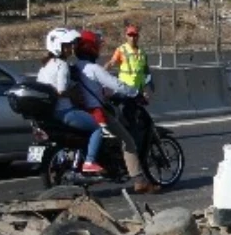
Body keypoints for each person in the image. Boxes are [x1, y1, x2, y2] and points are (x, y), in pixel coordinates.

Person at [73, 29, 160, 194]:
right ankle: (139, 180)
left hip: (83, 110)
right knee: (128, 141)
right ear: (91, 48)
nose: (133, 37)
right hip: (99, 109)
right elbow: (115, 83)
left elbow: (99, 87)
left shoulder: (76, 67)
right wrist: (135, 93)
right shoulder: (93, 68)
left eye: (135, 35)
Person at [37, 27, 104, 175]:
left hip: (52, 113)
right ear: (57, 47)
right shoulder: (62, 66)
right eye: (67, 45)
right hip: (66, 112)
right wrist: (72, 94)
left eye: (71, 45)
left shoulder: (45, 67)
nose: (71, 48)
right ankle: (90, 161)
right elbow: (61, 91)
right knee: (97, 128)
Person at [109, 24, 150, 92]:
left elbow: (145, 69)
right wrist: (102, 70)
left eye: (134, 35)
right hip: (125, 89)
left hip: (139, 89)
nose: (132, 38)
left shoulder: (142, 52)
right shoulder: (121, 50)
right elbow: (112, 62)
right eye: (130, 35)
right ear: (126, 36)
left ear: (138, 36)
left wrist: (149, 82)